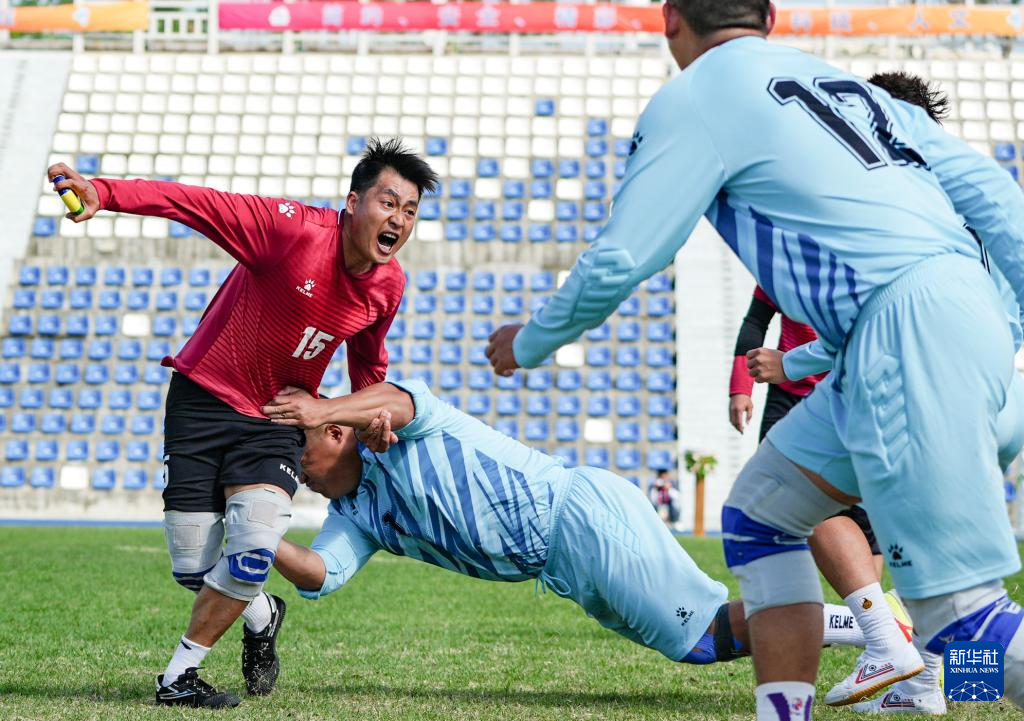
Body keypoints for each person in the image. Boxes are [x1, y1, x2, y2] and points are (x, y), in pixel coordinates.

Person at [484, 2, 1024, 718]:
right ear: (770, 15)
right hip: (937, 345)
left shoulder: (704, 98)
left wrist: (529, 340)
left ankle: (930, 675)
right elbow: (1000, 200)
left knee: (963, 615)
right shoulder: (850, 99)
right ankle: (910, 684)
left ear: (669, 18)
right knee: (761, 513)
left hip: (903, 350)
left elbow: (624, 255)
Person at [48, 137, 438, 708]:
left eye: (410, 210)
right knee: (193, 565)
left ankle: (177, 678)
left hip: (275, 417)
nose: (399, 219)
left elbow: (368, 362)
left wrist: (368, 419)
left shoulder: (388, 284)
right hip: (201, 400)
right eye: (388, 202)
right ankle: (262, 614)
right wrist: (103, 193)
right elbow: (195, 203)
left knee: (253, 547)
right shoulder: (291, 230)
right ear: (353, 203)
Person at [261, 380, 871, 670]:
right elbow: (319, 575)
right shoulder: (355, 514)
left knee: (702, 636)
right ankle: (879, 629)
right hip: (564, 562)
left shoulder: (392, 426)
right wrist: (260, 535)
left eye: (298, 448)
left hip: (579, 518)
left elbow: (403, 401)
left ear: (334, 430)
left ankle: (880, 628)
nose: (296, 470)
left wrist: (323, 406)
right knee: (703, 640)